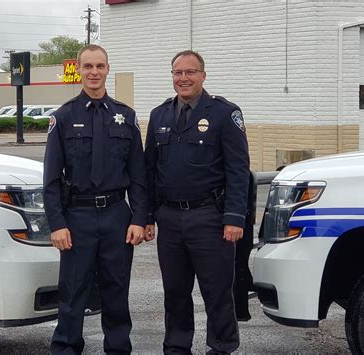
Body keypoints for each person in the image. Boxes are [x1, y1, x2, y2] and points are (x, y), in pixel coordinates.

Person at [43, 44, 147, 355]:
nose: (94, 72)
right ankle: (66, 348)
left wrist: (139, 218)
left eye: (99, 66)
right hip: (77, 217)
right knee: (73, 293)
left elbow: (138, 174)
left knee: (117, 291)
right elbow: (51, 179)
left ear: (107, 69)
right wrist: (57, 224)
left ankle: (118, 349)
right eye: (88, 66)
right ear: (79, 70)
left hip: (117, 216)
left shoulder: (125, 117)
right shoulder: (63, 117)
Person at [144, 50, 250, 354]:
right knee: (175, 291)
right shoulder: (159, 115)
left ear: (203, 75)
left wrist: (234, 217)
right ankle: (177, 346)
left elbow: (238, 169)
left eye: (190, 72)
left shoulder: (224, 113)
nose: (183, 78)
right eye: (177, 73)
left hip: (210, 218)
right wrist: (149, 215)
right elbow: (150, 168)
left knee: (216, 291)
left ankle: (221, 347)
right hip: (170, 218)